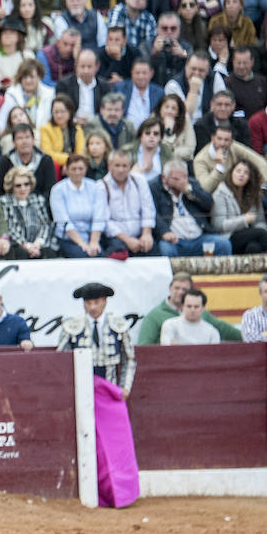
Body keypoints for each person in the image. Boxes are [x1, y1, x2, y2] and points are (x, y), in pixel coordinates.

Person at [57, 281, 138, 508]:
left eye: (96, 302)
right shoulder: (71, 326)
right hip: (82, 393)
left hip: (110, 394)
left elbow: (129, 359)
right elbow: (60, 360)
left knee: (114, 446)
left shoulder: (119, 325)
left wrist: (125, 388)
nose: (92, 307)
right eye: (88, 303)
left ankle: (118, 494)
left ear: (105, 301)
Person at [149, 160, 231, 257]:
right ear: (164, 178)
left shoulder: (191, 184)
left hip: (198, 239)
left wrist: (189, 190)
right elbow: (152, 213)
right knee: (166, 249)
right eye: (176, 179)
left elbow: (209, 205)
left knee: (223, 244)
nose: (182, 182)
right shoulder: (154, 187)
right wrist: (164, 232)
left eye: (184, 177)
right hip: (174, 240)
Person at [136, 272, 241, 344]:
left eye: (184, 289)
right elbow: (144, 346)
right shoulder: (155, 316)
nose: (180, 292)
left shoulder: (201, 312)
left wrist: (251, 339)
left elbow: (225, 330)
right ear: (170, 288)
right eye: (177, 288)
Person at [239, 274, 267, 343]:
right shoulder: (251, 315)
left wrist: (263, 334)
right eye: (266, 291)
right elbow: (250, 341)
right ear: (260, 294)